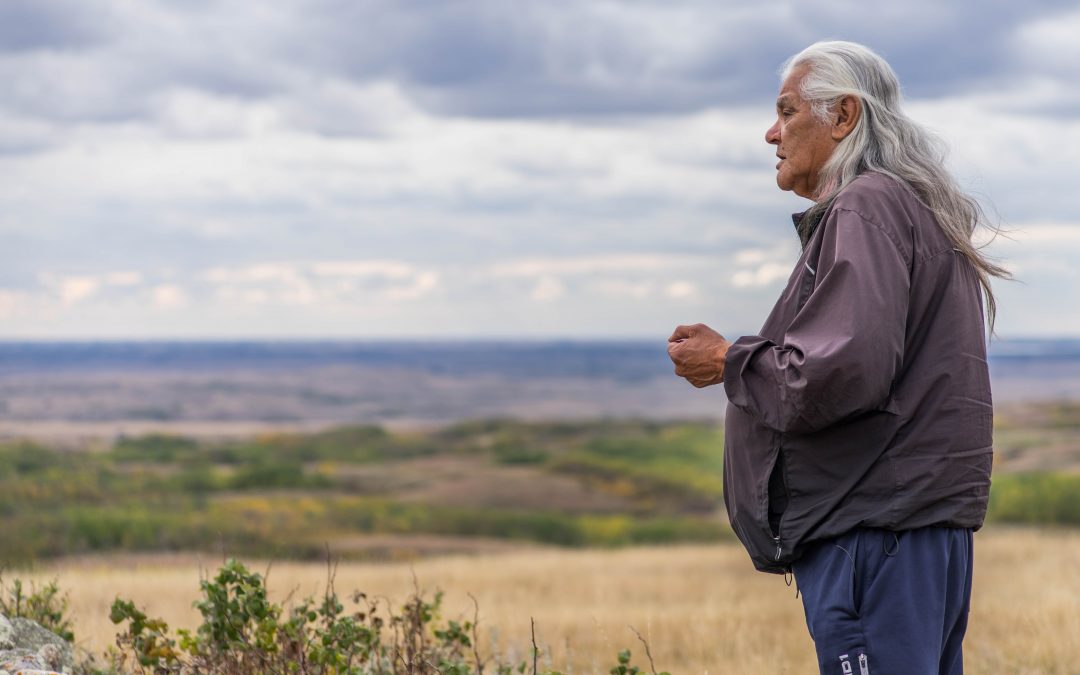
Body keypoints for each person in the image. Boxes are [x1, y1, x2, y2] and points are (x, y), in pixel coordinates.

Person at [667, 41, 1009, 675]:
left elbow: (836, 373)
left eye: (787, 110)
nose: (772, 133)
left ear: (844, 116)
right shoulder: (914, 206)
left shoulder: (866, 204)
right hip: (911, 531)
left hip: (873, 535)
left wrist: (728, 360)